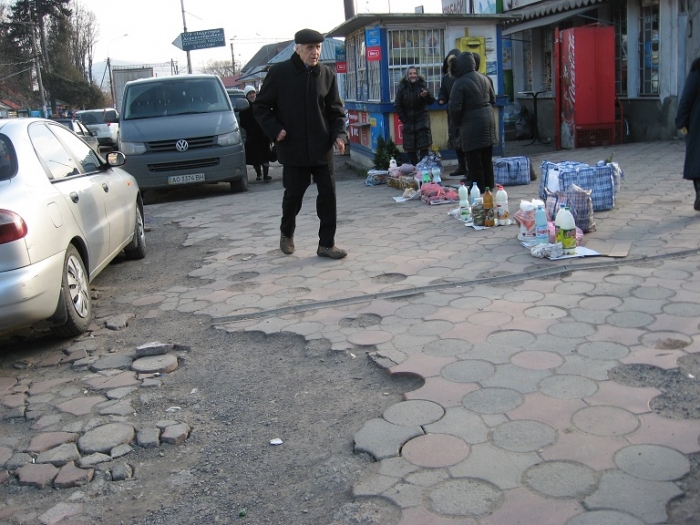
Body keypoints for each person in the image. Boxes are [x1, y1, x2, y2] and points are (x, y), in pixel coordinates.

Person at [253, 28, 348, 259]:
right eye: (309, 48)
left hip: (321, 148)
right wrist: (276, 130)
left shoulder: (326, 74)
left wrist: (339, 135)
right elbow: (261, 107)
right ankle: (287, 234)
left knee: (328, 197)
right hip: (293, 148)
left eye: (317, 47)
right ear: (297, 49)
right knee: (293, 196)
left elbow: (336, 111)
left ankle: (326, 244)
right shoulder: (280, 73)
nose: (315, 52)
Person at [448, 51, 497, 193]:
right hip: (488, 121)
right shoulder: (485, 78)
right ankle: (489, 185)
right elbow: (493, 100)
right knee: (487, 158)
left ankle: (479, 189)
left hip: (470, 125)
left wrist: (457, 124)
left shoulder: (459, 82)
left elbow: (454, 109)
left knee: (473, 159)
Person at [394, 65, 435, 166]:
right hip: (408, 122)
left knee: (424, 149)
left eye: (415, 73)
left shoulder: (422, 85)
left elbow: (431, 101)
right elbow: (398, 105)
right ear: (407, 75)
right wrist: (404, 119)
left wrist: (426, 96)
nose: (413, 75)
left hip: (422, 121)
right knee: (411, 150)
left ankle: (423, 172)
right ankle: (414, 170)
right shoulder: (402, 88)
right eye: (410, 73)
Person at [437, 49, 467, 178]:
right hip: (452, 113)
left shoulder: (464, 77)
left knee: (466, 140)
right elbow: (443, 91)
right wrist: (441, 99)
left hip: (465, 113)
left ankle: (468, 167)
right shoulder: (446, 78)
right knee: (456, 141)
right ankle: (461, 166)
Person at [675, 56, 700, 211]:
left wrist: (682, 123)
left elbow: (686, 99)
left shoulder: (697, 70)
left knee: (697, 161)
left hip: (697, 127)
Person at [239, 86, 273, 182]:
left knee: (265, 155)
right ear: (246, 95)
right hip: (253, 137)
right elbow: (243, 123)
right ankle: (258, 174)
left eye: (253, 93)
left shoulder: (261, 104)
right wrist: (251, 129)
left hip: (264, 135)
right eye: (249, 94)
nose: (252, 95)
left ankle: (266, 174)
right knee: (255, 156)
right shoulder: (244, 108)